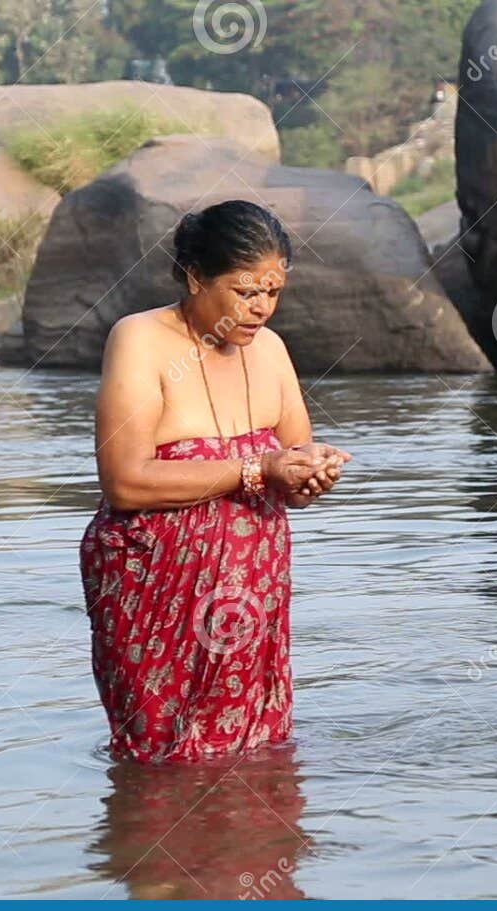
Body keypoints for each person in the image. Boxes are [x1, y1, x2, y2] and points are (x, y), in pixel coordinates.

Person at [79, 200, 351, 764]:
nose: (260, 310)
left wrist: (309, 477)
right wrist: (257, 469)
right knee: (158, 760)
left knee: (256, 753)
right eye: (244, 291)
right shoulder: (140, 340)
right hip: (152, 588)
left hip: (250, 590)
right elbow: (124, 483)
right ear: (196, 276)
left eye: (272, 293)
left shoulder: (271, 350)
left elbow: (290, 468)